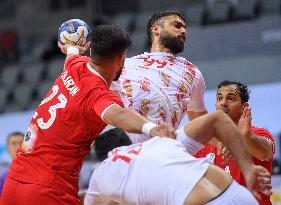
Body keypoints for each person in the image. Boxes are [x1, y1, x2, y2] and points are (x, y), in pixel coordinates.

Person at [0, 25, 176, 205]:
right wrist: (152, 128)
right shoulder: (98, 94)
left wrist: (71, 46)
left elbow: (72, 54)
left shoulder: (75, 65)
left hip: (13, 183)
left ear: (91, 51)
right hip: (48, 189)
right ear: (121, 57)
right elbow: (118, 115)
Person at [84, 111, 272, 205]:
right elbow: (218, 119)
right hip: (238, 193)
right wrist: (248, 169)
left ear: (100, 158)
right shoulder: (159, 142)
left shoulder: (101, 175)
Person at [111, 11, 207, 143]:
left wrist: (223, 144)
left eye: (185, 27)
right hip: (124, 152)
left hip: (162, 152)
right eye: (177, 25)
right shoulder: (126, 65)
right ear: (156, 29)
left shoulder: (192, 73)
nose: (184, 31)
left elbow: (199, 120)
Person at [195, 80, 275, 205]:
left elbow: (265, 152)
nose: (223, 103)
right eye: (219, 98)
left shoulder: (258, 134)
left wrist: (245, 137)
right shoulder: (204, 142)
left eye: (230, 98)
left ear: (244, 107)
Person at [0, 132, 24, 196]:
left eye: (21, 143)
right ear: (7, 148)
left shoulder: (37, 171)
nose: (18, 146)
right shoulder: (3, 177)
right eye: (14, 143)